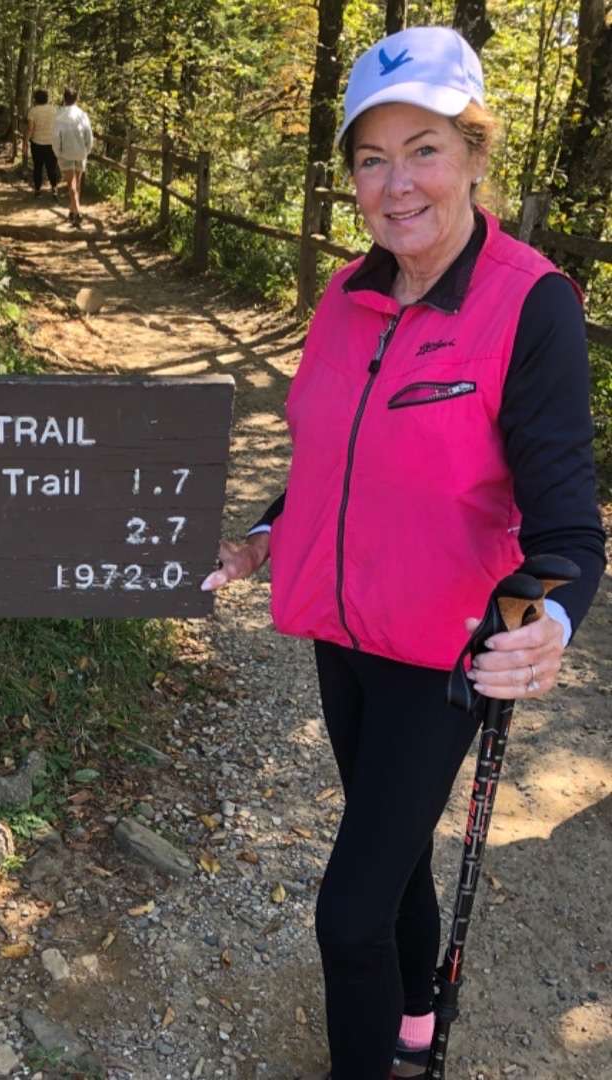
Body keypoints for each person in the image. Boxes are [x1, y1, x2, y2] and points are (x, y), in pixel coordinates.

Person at [201, 26, 605, 1080]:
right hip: (342, 635)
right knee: (394, 866)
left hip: (447, 654)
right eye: (371, 158)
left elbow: (566, 532)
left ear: (475, 154)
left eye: (423, 148)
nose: (396, 182)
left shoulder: (532, 304)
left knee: (346, 915)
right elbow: (334, 463)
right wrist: (259, 538)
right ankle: (416, 1031)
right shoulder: (345, 295)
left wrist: (546, 626)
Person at [54, 87, 93, 226]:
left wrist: (57, 152)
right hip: (80, 152)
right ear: (77, 98)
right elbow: (89, 135)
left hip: (66, 153)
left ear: (64, 98)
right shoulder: (83, 115)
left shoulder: (59, 116)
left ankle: (77, 212)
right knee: (77, 184)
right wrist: (87, 150)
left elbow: (56, 137)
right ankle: (73, 211)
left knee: (71, 184)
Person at [27, 89, 60, 200]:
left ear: (36, 99)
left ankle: (37, 191)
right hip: (51, 143)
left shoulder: (33, 111)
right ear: (47, 98)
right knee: (52, 167)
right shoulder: (54, 110)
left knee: (38, 167)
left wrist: (26, 141)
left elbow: (31, 129)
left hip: (37, 143)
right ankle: (54, 189)